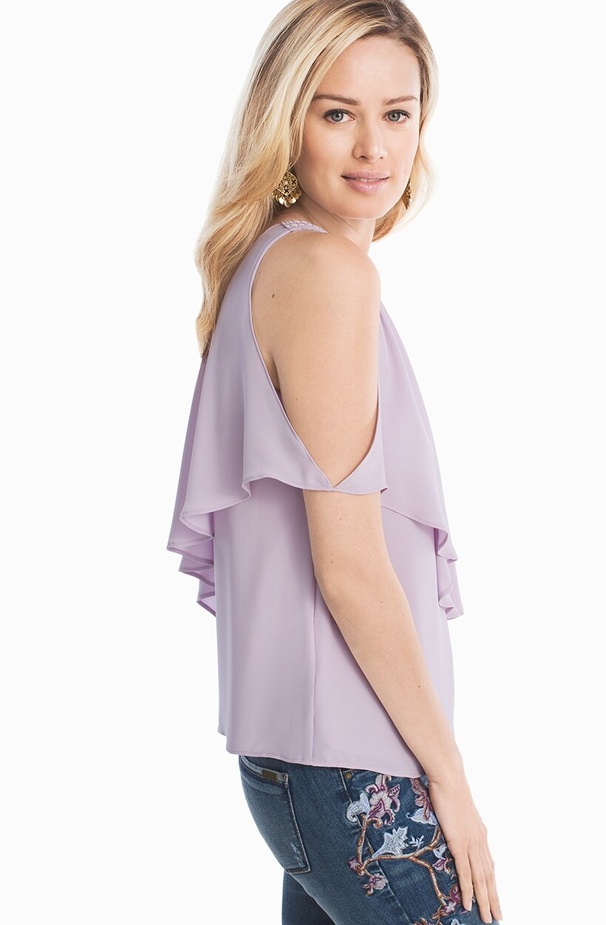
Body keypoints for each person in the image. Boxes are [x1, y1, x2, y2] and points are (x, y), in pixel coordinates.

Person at [167, 1, 503, 922]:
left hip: (316, 763)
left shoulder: (278, 261)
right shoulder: (326, 274)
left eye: (397, 113)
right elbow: (349, 567)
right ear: (288, 121)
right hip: (359, 772)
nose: (372, 148)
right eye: (337, 112)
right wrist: (453, 781)